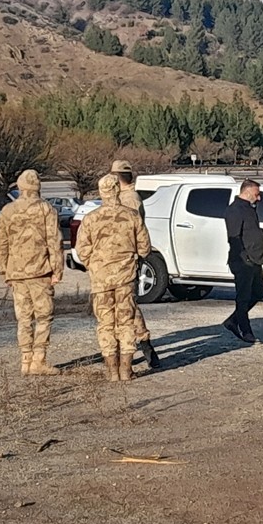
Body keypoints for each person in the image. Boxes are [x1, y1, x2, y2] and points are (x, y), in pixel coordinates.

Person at [75, 174, 152, 381]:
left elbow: (81, 250)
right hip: (126, 278)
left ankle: (111, 371)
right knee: (126, 322)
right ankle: (126, 370)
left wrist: (94, 264)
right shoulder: (132, 216)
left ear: (101, 192)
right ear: (118, 190)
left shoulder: (91, 218)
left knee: (105, 324)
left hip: (100, 280)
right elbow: (145, 248)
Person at [0, 169, 64, 376]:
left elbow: (1, 243)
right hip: (40, 272)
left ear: (19, 187)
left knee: (24, 318)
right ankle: (39, 359)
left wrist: (4, 270)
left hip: (16, 272)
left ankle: (25, 359)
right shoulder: (46, 209)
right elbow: (55, 241)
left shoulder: (7, 210)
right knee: (44, 316)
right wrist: (57, 270)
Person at [111, 159, 161, 370]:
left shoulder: (128, 199)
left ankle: (143, 346)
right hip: (120, 261)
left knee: (127, 307)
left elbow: (132, 232)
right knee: (121, 306)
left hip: (124, 260)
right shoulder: (124, 197)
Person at [223, 179, 263, 343]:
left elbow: (251, 233)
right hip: (243, 260)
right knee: (243, 297)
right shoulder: (234, 210)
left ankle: (233, 321)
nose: (259, 198)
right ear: (247, 192)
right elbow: (234, 237)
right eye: (257, 194)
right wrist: (244, 257)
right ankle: (245, 330)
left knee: (258, 292)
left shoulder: (249, 209)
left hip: (255, 258)